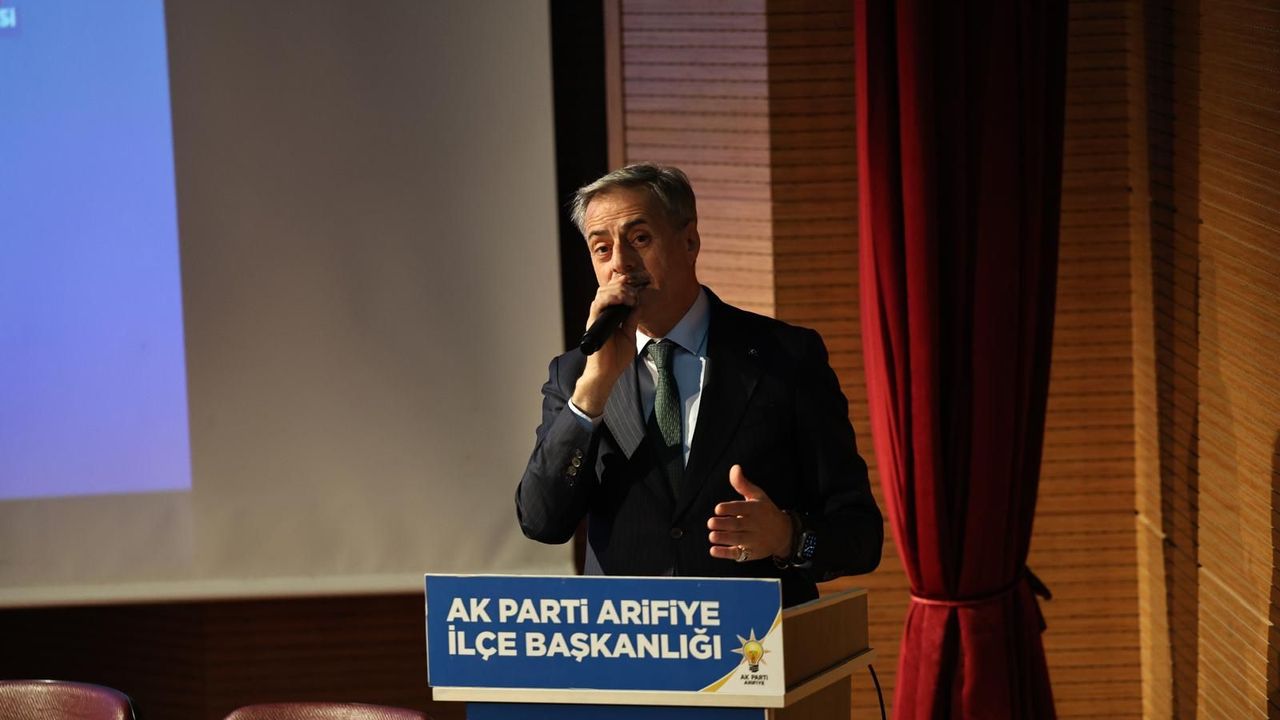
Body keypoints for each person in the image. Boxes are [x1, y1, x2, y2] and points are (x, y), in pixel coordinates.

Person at [515, 163, 882, 607]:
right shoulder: (575, 374)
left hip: (756, 639)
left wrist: (788, 536)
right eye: (602, 249)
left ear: (689, 240)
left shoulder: (786, 357)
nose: (620, 264)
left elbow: (860, 534)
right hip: (630, 640)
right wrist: (592, 390)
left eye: (639, 239)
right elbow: (542, 521)